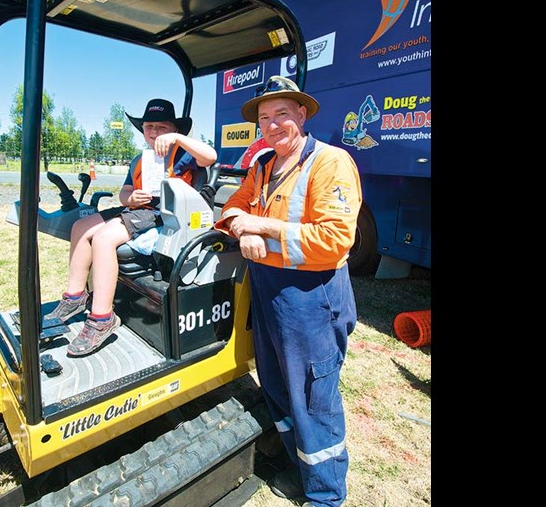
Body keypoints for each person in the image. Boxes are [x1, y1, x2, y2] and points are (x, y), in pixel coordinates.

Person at [213, 75, 361, 507]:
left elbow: (334, 240)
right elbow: (232, 207)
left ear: (302, 114)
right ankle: (298, 465)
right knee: (277, 383)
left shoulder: (330, 163)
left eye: (282, 114)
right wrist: (242, 227)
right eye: (264, 118)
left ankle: (325, 495)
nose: (273, 125)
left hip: (311, 295)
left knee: (314, 398)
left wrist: (263, 227)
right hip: (267, 288)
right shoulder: (261, 165)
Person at [47, 98, 217, 356]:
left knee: (104, 239)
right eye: (150, 126)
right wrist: (130, 198)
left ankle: (102, 319)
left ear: (175, 129)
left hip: (163, 214)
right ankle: (74, 296)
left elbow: (211, 157)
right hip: (138, 208)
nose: (155, 132)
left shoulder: (184, 156)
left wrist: (178, 140)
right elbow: (125, 191)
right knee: (80, 225)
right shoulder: (140, 160)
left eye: (162, 127)